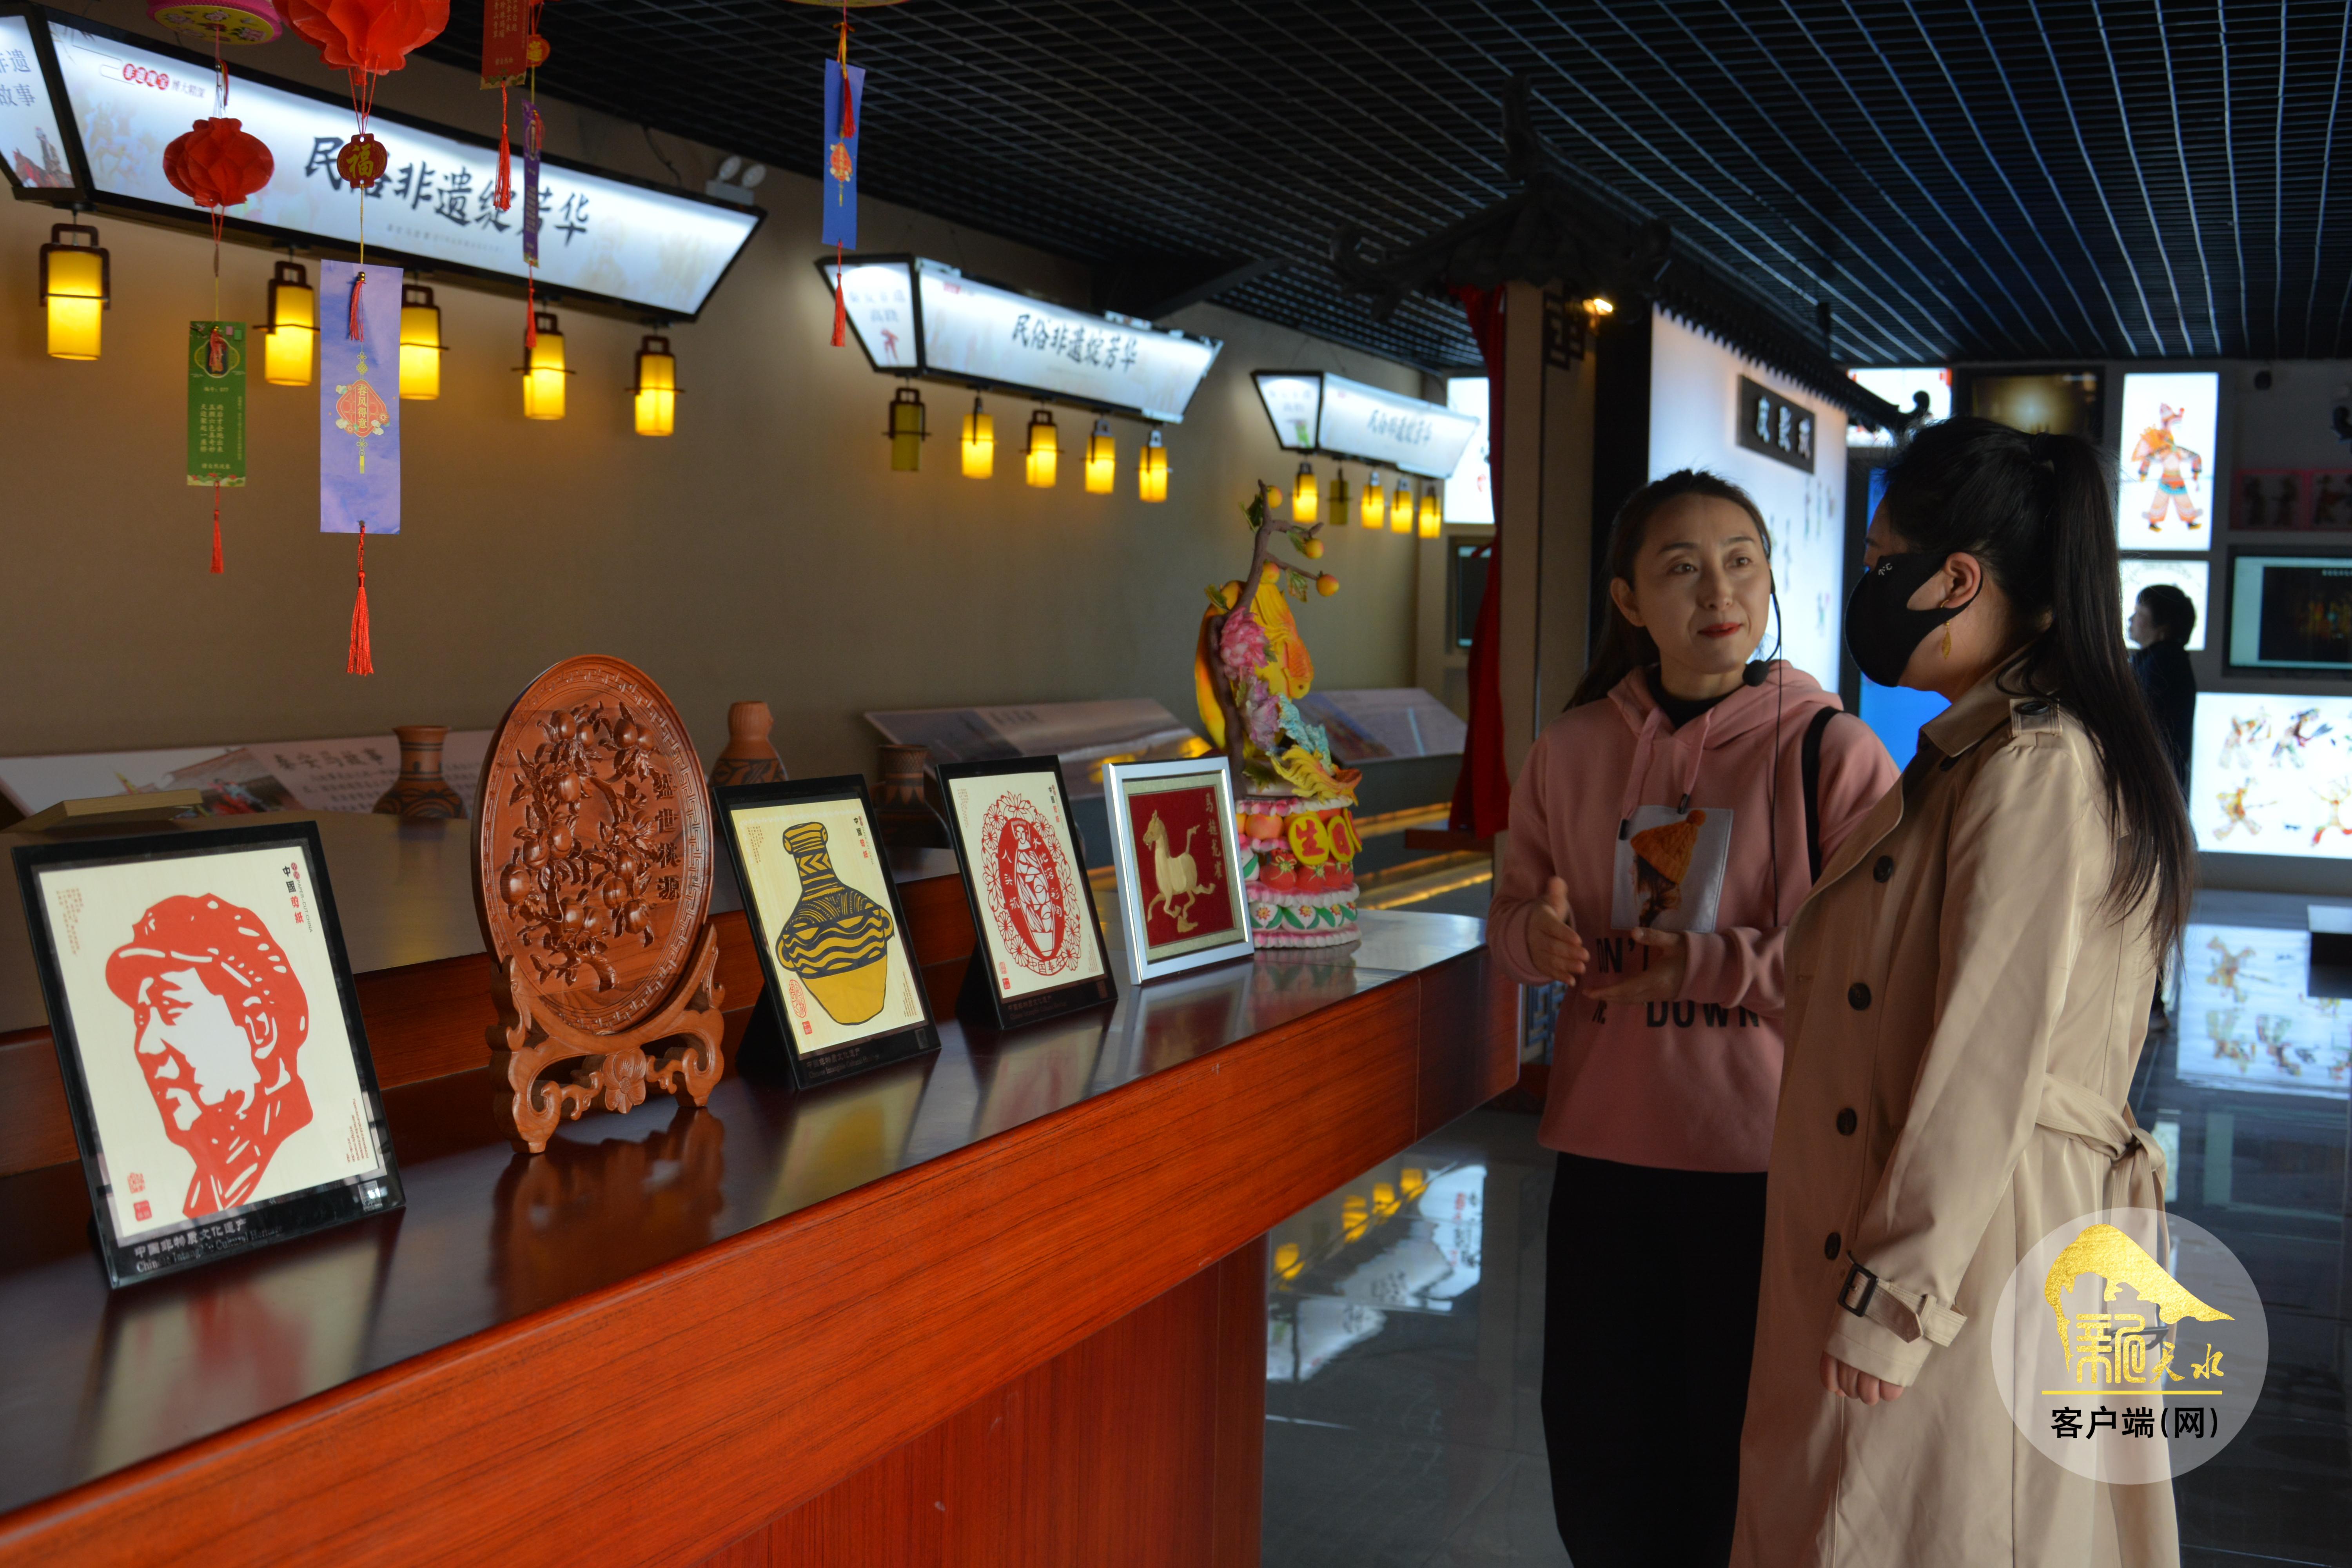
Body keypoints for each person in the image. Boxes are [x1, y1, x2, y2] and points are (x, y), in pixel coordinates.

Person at [1732, 419, 2194, 1567]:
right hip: (1971, 1232)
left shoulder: (2033, 765)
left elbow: (1983, 1059)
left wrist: (1895, 1299)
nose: (1869, 587)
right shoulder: (1993, 750)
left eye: (1881, 560)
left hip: (1969, 1251)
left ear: (1955, 578)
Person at [1488, 470, 1898, 1566]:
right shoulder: (1571, 749)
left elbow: (1875, 966)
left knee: (1737, 1457)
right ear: (1629, 600)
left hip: (1765, 1166)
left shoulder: (1833, 753)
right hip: (1605, 1157)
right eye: (1682, 568)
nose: (1719, 590)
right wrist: (1534, 940)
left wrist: (1706, 962)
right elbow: (1513, 916)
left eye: (1741, 563)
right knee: (1601, 1454)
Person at [106, 894, 314, 1218]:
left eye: (170, 1010)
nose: (146, 1047)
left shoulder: (305, 1157)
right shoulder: (213, 1188)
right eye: (142, 1019)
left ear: (259, 1028)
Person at [2131, 582, 2198, 793]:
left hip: (2148, 788)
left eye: (2139, 613)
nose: (2131, 620)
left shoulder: (2162, 665)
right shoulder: (2165, 661)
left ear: (2163, 627)